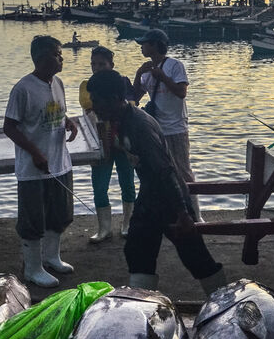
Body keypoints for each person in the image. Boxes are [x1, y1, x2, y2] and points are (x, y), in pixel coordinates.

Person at [86, 69, 225, 295]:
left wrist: (183, 214)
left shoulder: (140, 126)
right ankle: (142, 304)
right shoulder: (121, 119)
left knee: (195, 257)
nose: (94, 106)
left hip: (169, 198)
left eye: (96, 100)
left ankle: (226, 301)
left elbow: (166, 171)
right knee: (137, 251)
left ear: (113, 99)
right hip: (149, 197)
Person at [3, 35, 79, 288]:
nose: (62, 57)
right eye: (57, 54)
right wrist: (35, 153)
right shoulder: (22, 89)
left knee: (60, 213)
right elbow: (10, 127)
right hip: (33, 168)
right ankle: (32, 268)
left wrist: (67, 122)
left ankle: (52, 257)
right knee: (33, 218)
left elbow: (57, 111)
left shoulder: (57, 82)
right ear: (41, 57)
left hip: (59, 162)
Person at [133, 28, 201, 217]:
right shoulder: (146, 71)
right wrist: (139, 74)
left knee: (183, 171)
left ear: (155, 45)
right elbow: (135, 97)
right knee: (159, 171)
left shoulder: (174, 65)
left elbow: (181, 92)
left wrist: (162, 77)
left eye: (144, 44)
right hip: (156, 129)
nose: (141, 47)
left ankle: (195, 212)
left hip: (176, 128)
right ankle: (170, 211)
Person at [78, 45, 141, 242]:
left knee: (128, 183)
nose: (97, 68)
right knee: (99, 185)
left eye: (102, 64)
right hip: (99, 141)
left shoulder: (122, 82)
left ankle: (128, 223)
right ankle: (103, 227)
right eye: (93, 64)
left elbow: (132, 104)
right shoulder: (86, 85)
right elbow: (87, 105)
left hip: (122, 140)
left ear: (111, 65)